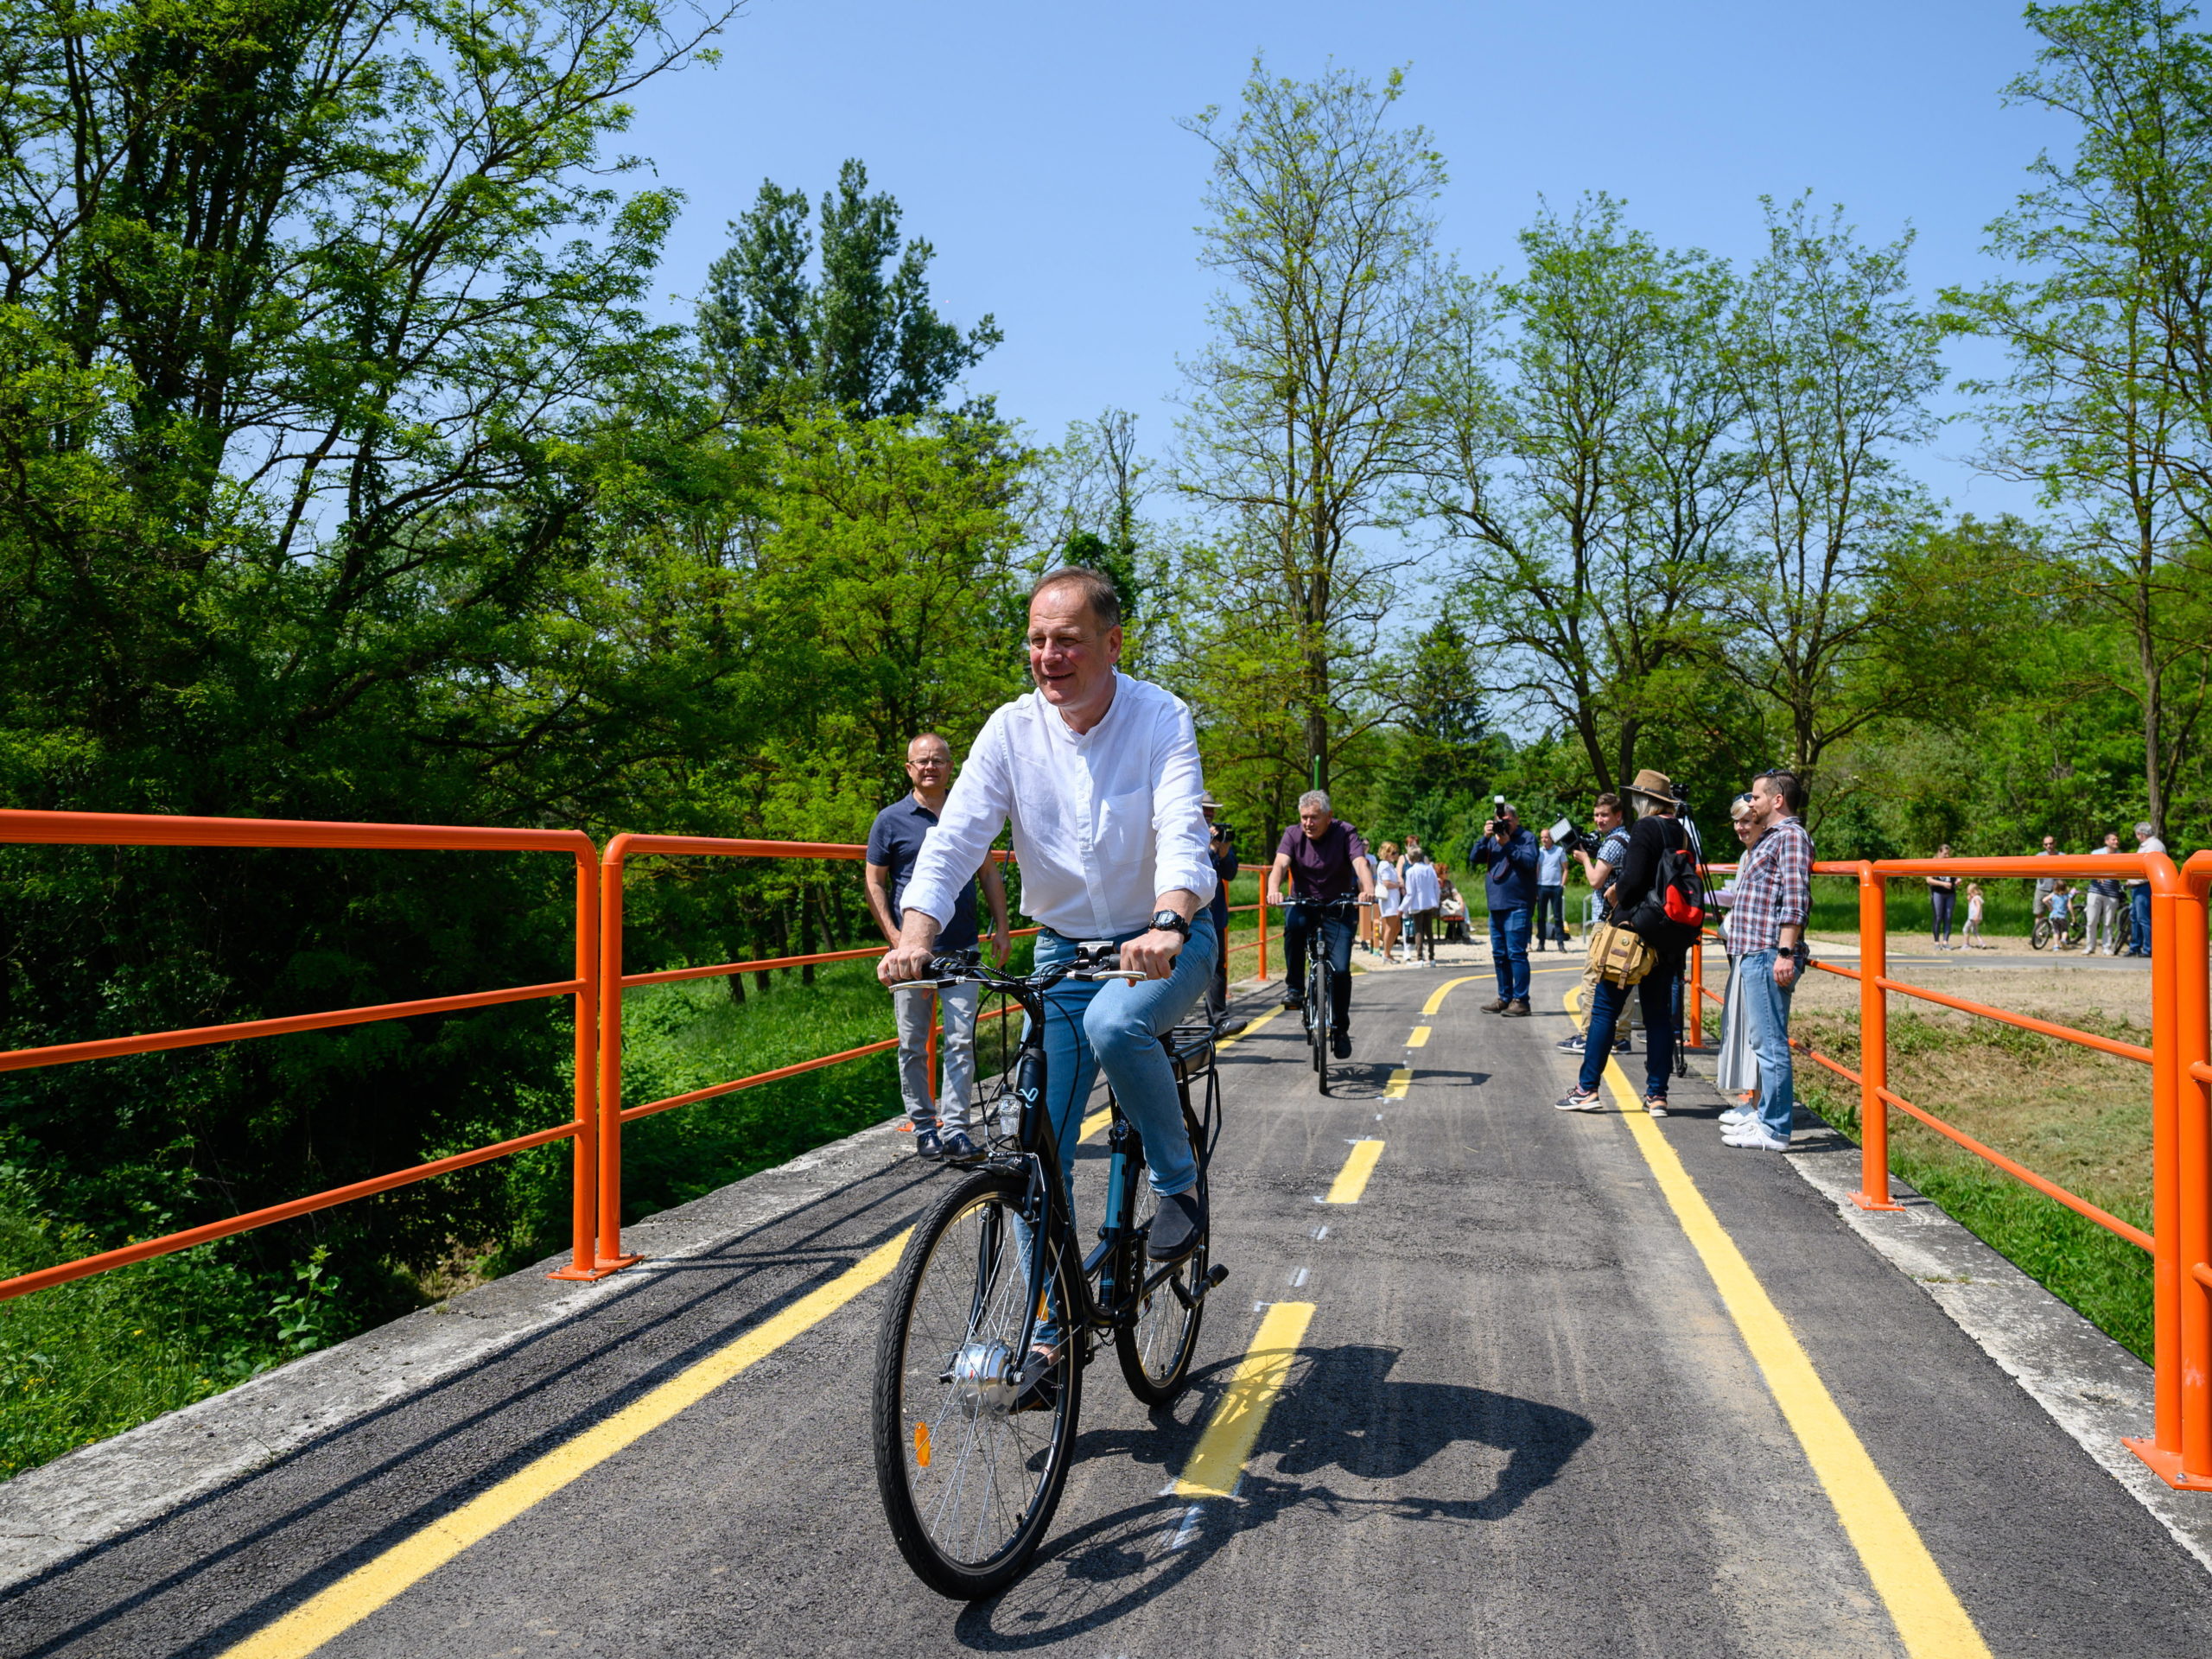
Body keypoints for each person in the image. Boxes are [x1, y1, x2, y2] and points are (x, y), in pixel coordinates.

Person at [882, 565, 1220, 1267]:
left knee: (1116, 1024)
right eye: (1037, 641)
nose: (1048, 656)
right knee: (1035, 1150)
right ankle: (1045, 1321)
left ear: (1113, 644)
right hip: (1064, 952)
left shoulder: (1160, 716)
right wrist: (915, 936)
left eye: (1067, 640)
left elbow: (1183, 827)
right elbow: (954, 841)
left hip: (1164, 938)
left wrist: (1168, 921)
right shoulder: (1010, 730)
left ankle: (1178, 1181)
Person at [866, 732, 1012, 1164]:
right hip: (910, 955)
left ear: (951, 767)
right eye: (922, 761)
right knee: (913, 1042)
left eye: (938, 760)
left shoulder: (966, 815)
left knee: (961, 1041)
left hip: (962, 947)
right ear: (909, 768)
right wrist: (897, 938)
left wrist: (1002, 928)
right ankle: (925, 1128)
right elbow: (875, 882)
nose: (930, 767)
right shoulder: (890, 820)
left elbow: (988, 874)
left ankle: (957, 1129)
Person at [1555, 771, 1698, 1116]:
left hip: (1634, 935)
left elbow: (1632, 882)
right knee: (1658, 1016)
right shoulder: (1681, 831)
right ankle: (1657, 1096)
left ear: (1644, 800)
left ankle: (1587, 1089)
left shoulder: (1646, 828)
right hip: (1668, 935)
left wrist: (1614, 892)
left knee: (1605, 1009)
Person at [1715, 770, 1815, 1151]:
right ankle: (1765, 1117)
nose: (1750, 802)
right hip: (1755, 951)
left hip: (1769, 951)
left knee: (1771, 1044)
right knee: (1762, 1041)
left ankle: (1775, 1130)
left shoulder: (1791, 837)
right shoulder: (1772, 837)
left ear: (1777, 800)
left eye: (1756, 797)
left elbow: (1796, 896)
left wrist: (1785, 952)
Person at [1266, 791, 1377, 1057]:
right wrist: (1273, 889)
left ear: (1329, 816)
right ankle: (1295, 988)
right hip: (1304, 902)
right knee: (1294, 926)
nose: (1308, 823)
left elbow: (1360, 862)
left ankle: (1340, 1029)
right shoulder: (1292, 834)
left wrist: (1368, 889)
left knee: (1340, 970)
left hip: (1338, 905)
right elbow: (1280, 864)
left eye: (1314, 817)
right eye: (1304, 817)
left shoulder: (1346, 832)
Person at [1558, 792, 1632, 1058]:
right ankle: (1621, 1037)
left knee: (1592, 979)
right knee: (1622, 978)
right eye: (1596, 815)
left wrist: (1585, 859)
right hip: (1624, 919)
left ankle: (1587, 1036)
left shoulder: (1612, 843)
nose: (1599, 820)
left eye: (1604, 815)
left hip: (1606, 920)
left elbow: (1595, 881)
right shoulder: (1627, 838)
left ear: (1618, 816)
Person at [1469, 801, 1538, 1015]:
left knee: (1516, 954)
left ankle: (1521, 1001)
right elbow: (1474, 857)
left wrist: (1508, 844)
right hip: (1496, 905)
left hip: (1517, 905)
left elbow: (1530, 862)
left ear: (1516, 820)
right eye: (1499, 821)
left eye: (1507, 821)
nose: (1503, 825)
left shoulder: (1527, 838)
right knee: (1499, 954)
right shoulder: (1493, 840)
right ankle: (1504, 998)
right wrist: (1485, 837)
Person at [1714, 794, 1761, 1109]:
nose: (1740, 827)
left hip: (1757, 949)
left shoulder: (1762, 853)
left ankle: (1760, 1107)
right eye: (1736, 821)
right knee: (1743, 1025)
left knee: (1758, 1032)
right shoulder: (1746, 855)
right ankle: (1753, 1101)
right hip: (1743, 947)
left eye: (1746, 821)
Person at [1202, 793, 1247, 1034]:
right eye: (1205, 809)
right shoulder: (1183, 832)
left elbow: (1230, 873)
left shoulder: (1219, 835)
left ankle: (1219, 1021)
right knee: (1176, 968)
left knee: (1218, 966)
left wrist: (1224, 850)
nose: (1209, 814)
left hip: (1215, 914)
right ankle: (1170, 1027)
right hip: (1186, 914)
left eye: (1212, 810)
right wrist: (1211, 850)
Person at [2129, 821, 2165, 957]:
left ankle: (2148, 948)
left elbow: (2148, 869)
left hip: (2144, 886)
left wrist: (2133, 880)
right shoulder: (2149, 845)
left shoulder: (2153, 846)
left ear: (2140, 834)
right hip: (2139, 886)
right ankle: (2135, 947)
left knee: (2143, 919)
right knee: (2136, 918)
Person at [2087, 830, 2125, 956]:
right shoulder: (2096, 853)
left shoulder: (2121, 855)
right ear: (2106, 841)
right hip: (2095, 891)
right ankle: (2090, 946)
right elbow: (2088, 868)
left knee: (2108, 922)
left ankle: (2106, 947)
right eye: (2114, 839)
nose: (2116, 841)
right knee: (2092, 920)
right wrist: (2097, 874)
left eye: (2117, 839)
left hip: (2112, 892)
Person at [1402, 850, 1441, 962]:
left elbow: (1410, 893)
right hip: (1430, 903)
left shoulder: (1410, 871)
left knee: (1419, 930)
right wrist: (1436, 902)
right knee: (1429, 931)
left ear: (1411, 859)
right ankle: (1432, 956)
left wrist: (1403, 908)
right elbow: (1436, 888)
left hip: (1417, 904)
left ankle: (1419, 957)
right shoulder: (1430, 869)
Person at [1535, 830, 1567, 951]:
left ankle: (1561, 944)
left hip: (1555, 887)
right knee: (1541, 917)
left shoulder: (1559, 850)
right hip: (1542, 886)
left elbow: (1565, 869)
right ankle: (1541, 943)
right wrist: (1535, 886)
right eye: (1542, 837)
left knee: (1558, 917)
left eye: (1546, 837)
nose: (1544, 840)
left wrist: (1562, 884)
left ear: (1551, 838)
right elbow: (1537, 869)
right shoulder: (1539, 851)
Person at [1373, 841, 1405, 963]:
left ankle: (1388, 952)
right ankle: (1386, 954)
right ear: (1386, 853)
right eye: (1394, 852)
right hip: (1389, 901)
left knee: (1396, 927)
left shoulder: (1389, 865)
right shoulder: (1385, 865)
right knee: (1390, 927)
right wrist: (1399, 885)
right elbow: (1386, 883)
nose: (1396, 855)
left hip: (1393, 900)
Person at [1926, 845, 1958, 950]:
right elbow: (1929, 880)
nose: (1947, 856)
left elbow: (1955, 876)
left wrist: (1957, 880)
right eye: (1945, 854)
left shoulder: (1951, 863)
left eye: (1949, 854)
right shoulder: (1933, 863)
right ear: (1939, 852)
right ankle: (1936, 942)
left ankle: (1945, 942)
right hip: (1937, 893)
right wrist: (1943, 884)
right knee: (1938, 916)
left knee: (1948, 917)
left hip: (1950, 893)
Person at [2032, 835, 2061, 923]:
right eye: (2046, 844)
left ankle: (2057, 931)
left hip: (2057, 890)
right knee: (2039, 914)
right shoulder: (2039, 856)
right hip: (2041, 889)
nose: (2049, 846)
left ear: (2055, 843)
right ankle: (2039, 931)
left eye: (2051, 843)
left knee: (2058, 914)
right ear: (2043, 846)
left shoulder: (2062, 856)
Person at [1963, 882, 1988, 950]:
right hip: (1975, 918)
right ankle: (1982, 943)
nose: (1969, 895)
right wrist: (1969, 901)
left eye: (1970, 893)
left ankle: (1966, 945)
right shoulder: (1975, 898)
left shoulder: (1976, 898)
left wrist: (1977, 915)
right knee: (1975, 931)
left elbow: (1979, 906)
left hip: (1973, 918)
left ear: (1974, 891)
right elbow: (1971, 907)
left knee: (1965, 929)